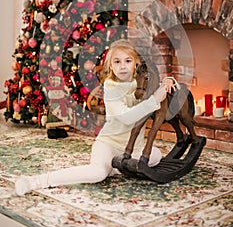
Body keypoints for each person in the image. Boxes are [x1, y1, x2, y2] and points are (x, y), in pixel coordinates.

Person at [15, 39, 175, 196]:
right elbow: (127, 117)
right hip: (109, 144)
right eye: (117, 62)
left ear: (136, 64)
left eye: (128, 61)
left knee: (155, 155)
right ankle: (38, 181)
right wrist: (154, 100)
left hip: (134, 149)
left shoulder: (140, 83)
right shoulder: (111, 87)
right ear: (111, 66)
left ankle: (114, 166)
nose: (123, 66)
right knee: (97, 173)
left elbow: (158, 83)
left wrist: (167, 80)